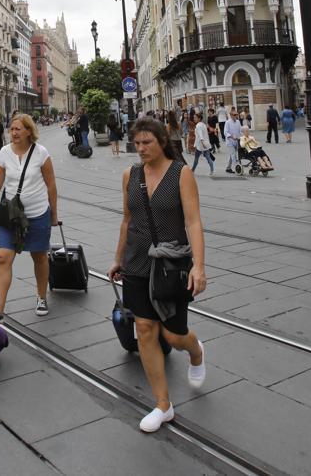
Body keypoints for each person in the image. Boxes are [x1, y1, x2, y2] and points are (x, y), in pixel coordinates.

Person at [107, 118, 207, 433]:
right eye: (137, 144)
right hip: (136, 263)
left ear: (162, 141)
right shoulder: (130, 175)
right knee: (146, 330)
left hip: (171, 264)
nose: (141, 149)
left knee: (174, 336)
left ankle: (196, 350)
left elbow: (193, 222)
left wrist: (199, 265)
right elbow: (127, 220)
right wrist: (117, 258)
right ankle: (163, 405)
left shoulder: (181, 174)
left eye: (147, 142)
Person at [0, 114, 58, 320]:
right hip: (12, 216)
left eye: (18, 129)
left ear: (28, 131)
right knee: (3, 258)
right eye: (11, 129)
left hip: (37, 214)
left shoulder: (41, 153)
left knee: (40, 257)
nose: (13, 133)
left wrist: (54, 214)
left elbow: (51, 186)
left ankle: (41, 297)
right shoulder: (5, 153)